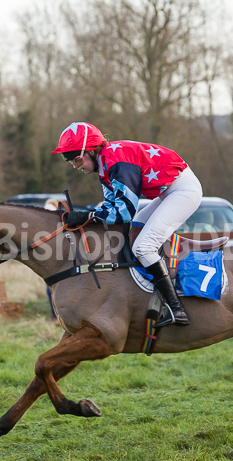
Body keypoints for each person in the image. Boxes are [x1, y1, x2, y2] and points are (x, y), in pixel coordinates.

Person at [52, 122, 202, 326]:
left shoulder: (116, 162)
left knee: (143, 246)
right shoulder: (105, 164)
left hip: (183, 191)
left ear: (92, 150)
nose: (75, 166)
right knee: (136, 229)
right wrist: (87, 218)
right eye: (69, 161)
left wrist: (87, 216)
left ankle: (176, 308)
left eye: (77, 159)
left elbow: (123, 213)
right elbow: (109, 207)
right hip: (169, 191)